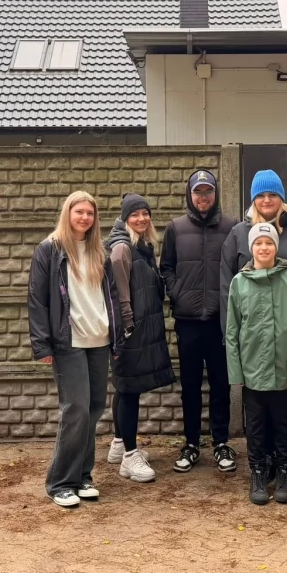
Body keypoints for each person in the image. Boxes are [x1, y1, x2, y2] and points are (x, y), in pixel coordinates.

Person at [220, 169, 287, 471]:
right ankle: (260, 461)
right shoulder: (238, 233)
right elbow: (228, 284)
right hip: (252, 339)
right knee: (257, 406)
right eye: (260, 195)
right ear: (253, 200)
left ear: (282, 198)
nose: (267, 200)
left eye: (272, 195)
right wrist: (230, 334)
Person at [28, 191, 123, 508]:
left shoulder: (101, 251)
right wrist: (42, 344)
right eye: (79, 212)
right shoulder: (49, 250)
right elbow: (38, 300)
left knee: (94, 410)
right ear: (68, 213)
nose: (85, 218)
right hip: (68, 342)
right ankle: (60, 482)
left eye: (90, 214)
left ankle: (83, 477)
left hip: (98, 339)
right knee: (76, 410)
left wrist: (117, 336)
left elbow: (110, 297)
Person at [160, 169, 237, 474]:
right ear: (189, 195)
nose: (203, 197)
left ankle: (220, 442)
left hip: (220, 321)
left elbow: (238, 266)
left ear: (215, 194)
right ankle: (191, 443)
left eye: (207, 192)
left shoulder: (231, 226)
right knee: (190, 385)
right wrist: (178, 294)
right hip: (188, 321)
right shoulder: (175, 228)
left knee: (221, 384)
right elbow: (166, 268)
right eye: (197, 192)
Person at [225, 223, 287, 505]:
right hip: (252, 372)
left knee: (285, 423)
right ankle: (258, 471)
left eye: (268, 243)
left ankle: (284, 469)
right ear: (251, 248)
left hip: (283, 369)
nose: (263, 248)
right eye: (258, 243)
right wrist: (236, 372)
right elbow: (232, 331)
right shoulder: (239, 283)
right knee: (257, 425)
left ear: (276, 247)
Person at [104, 194, 175, 483]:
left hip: (138, 329)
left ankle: (119, 443)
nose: (142, 219)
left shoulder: (142, 246)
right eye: (135, 214)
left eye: (146, 213)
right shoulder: (122, 249)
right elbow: (119, 294)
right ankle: (130, 457)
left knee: (125, 387)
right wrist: (127, 328)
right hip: (129, 331)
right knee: (129, 389)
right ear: (125, 218)